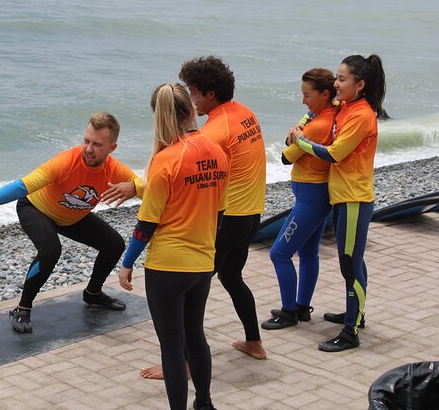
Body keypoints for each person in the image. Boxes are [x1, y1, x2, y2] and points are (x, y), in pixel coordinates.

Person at [140, 56, 267, 382]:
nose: (191, 101)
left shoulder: (213, 131)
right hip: (252, 214)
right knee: (232, 277)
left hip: (226, 220)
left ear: (210, 94)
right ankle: (254, 342)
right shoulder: (244, 113)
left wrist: (135, 186)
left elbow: (180, 175)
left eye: (194, 92)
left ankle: (179, 363)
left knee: (186, 291)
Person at [0, 112, 144, 333]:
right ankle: (22, 308)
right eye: (86, 141)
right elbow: (22, 186)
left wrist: (136, 188)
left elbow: (154, 193)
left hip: (72, 217)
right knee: (50, 250)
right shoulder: (66, 162)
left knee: (114, 244)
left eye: (97, 144)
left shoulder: (116, 171)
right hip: (35, 209)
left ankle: (93, 294)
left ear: (112, 148)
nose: (88, 149)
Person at [119, 83, 229, 410]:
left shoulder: (164, 160)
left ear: (160, 116)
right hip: (202, 263)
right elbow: (219, 214)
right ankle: (205, 403)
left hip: (167, 266)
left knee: (171, 345)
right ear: (191, 109)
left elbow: (146, 224)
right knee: (196, 335)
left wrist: (127, 262)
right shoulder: (217, 152)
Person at [290, 54, 386, 352]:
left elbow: (334, 153)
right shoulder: (346, 106)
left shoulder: (361, 115)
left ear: (360, 85)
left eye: (342, 79)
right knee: (354, 261)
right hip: (343, 196)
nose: (336, 83)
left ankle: (350, 333)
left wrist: (299, 141)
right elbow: (319, 112)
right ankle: (355, 313)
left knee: (349, 264)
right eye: (337, 77)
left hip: (354, 198)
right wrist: (304, 123)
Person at [262, 68, 337, 330]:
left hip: (310, 199)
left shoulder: (317, 125)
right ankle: (302, 307)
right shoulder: (327, 115)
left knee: (279, 253)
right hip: (317, 197)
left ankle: (288, 312)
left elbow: (286, 156)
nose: (303, 101)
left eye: (307, 95)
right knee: (307, 252)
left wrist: (296, 135)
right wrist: (295, 135)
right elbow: (291, 144)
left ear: (325, 94)